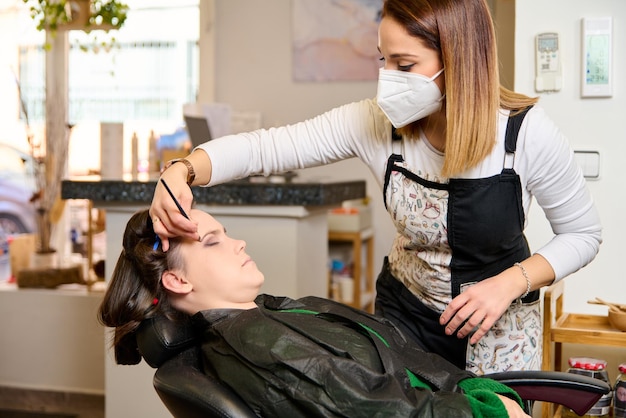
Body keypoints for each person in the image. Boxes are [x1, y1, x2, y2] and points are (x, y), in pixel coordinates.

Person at [149, 0, 602, 373]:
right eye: (384, 60)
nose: (388, 79)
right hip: (405, 318)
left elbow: (583, 234)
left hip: (501, 330)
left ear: (460, 60)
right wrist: (183, 170)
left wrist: (509, 282)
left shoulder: (525, 134)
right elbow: (265, 148)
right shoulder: (375, 124)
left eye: (405, 64)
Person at [98, 208, 530, 417]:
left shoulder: (269, 317)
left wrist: (474, 390)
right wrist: (489, 410)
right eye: (213, 242)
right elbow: (373, 411)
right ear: (177, 282)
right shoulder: (256, 344)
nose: (239, 243)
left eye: (227, 234)